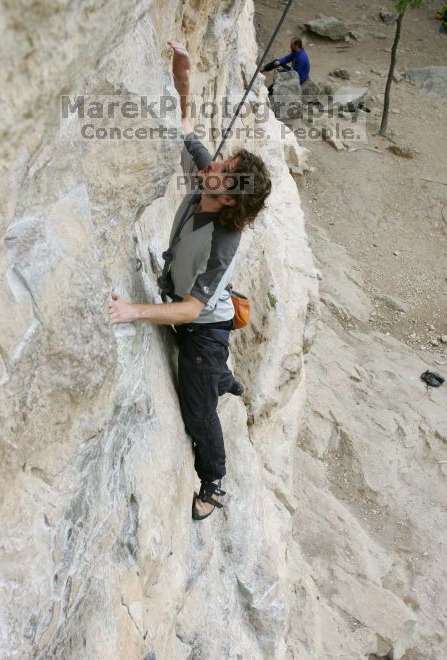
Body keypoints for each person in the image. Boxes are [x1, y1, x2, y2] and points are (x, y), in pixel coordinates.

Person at [108, 40, 272, 521]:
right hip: (194, 310)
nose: (213, 166)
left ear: (228, 201)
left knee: (198, 411)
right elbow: (185, 127)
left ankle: (215, 483)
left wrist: (133, 312)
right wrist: (185, 74)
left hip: (204, 329)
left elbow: (190, 311)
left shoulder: (223, 242)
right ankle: (224, 377)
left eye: (223, 171)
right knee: (208, 375)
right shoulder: (208, 180)